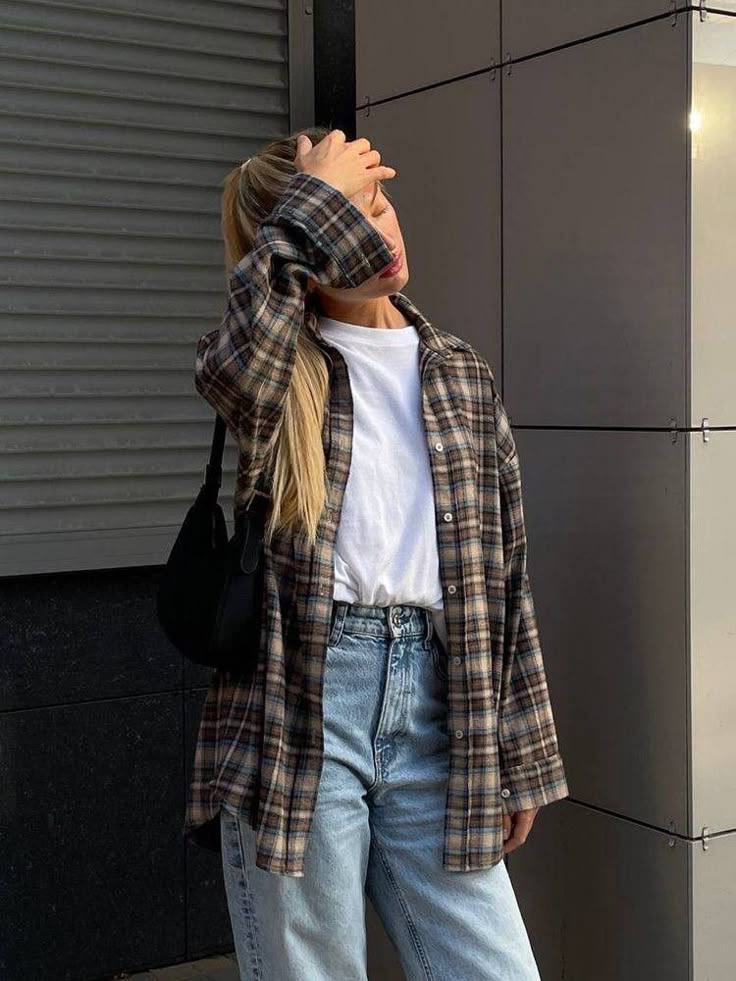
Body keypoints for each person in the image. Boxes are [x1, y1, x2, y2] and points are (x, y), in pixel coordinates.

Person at [185, 125, 569, 980]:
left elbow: (505, 576)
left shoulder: (459, 372)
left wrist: (522, 753)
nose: (381, 233)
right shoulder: (276, 374)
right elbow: (234, 367)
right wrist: (306, 205)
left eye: (380, 205)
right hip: (301, 707)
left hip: (438, 710)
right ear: (301, 247)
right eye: (347, 219)